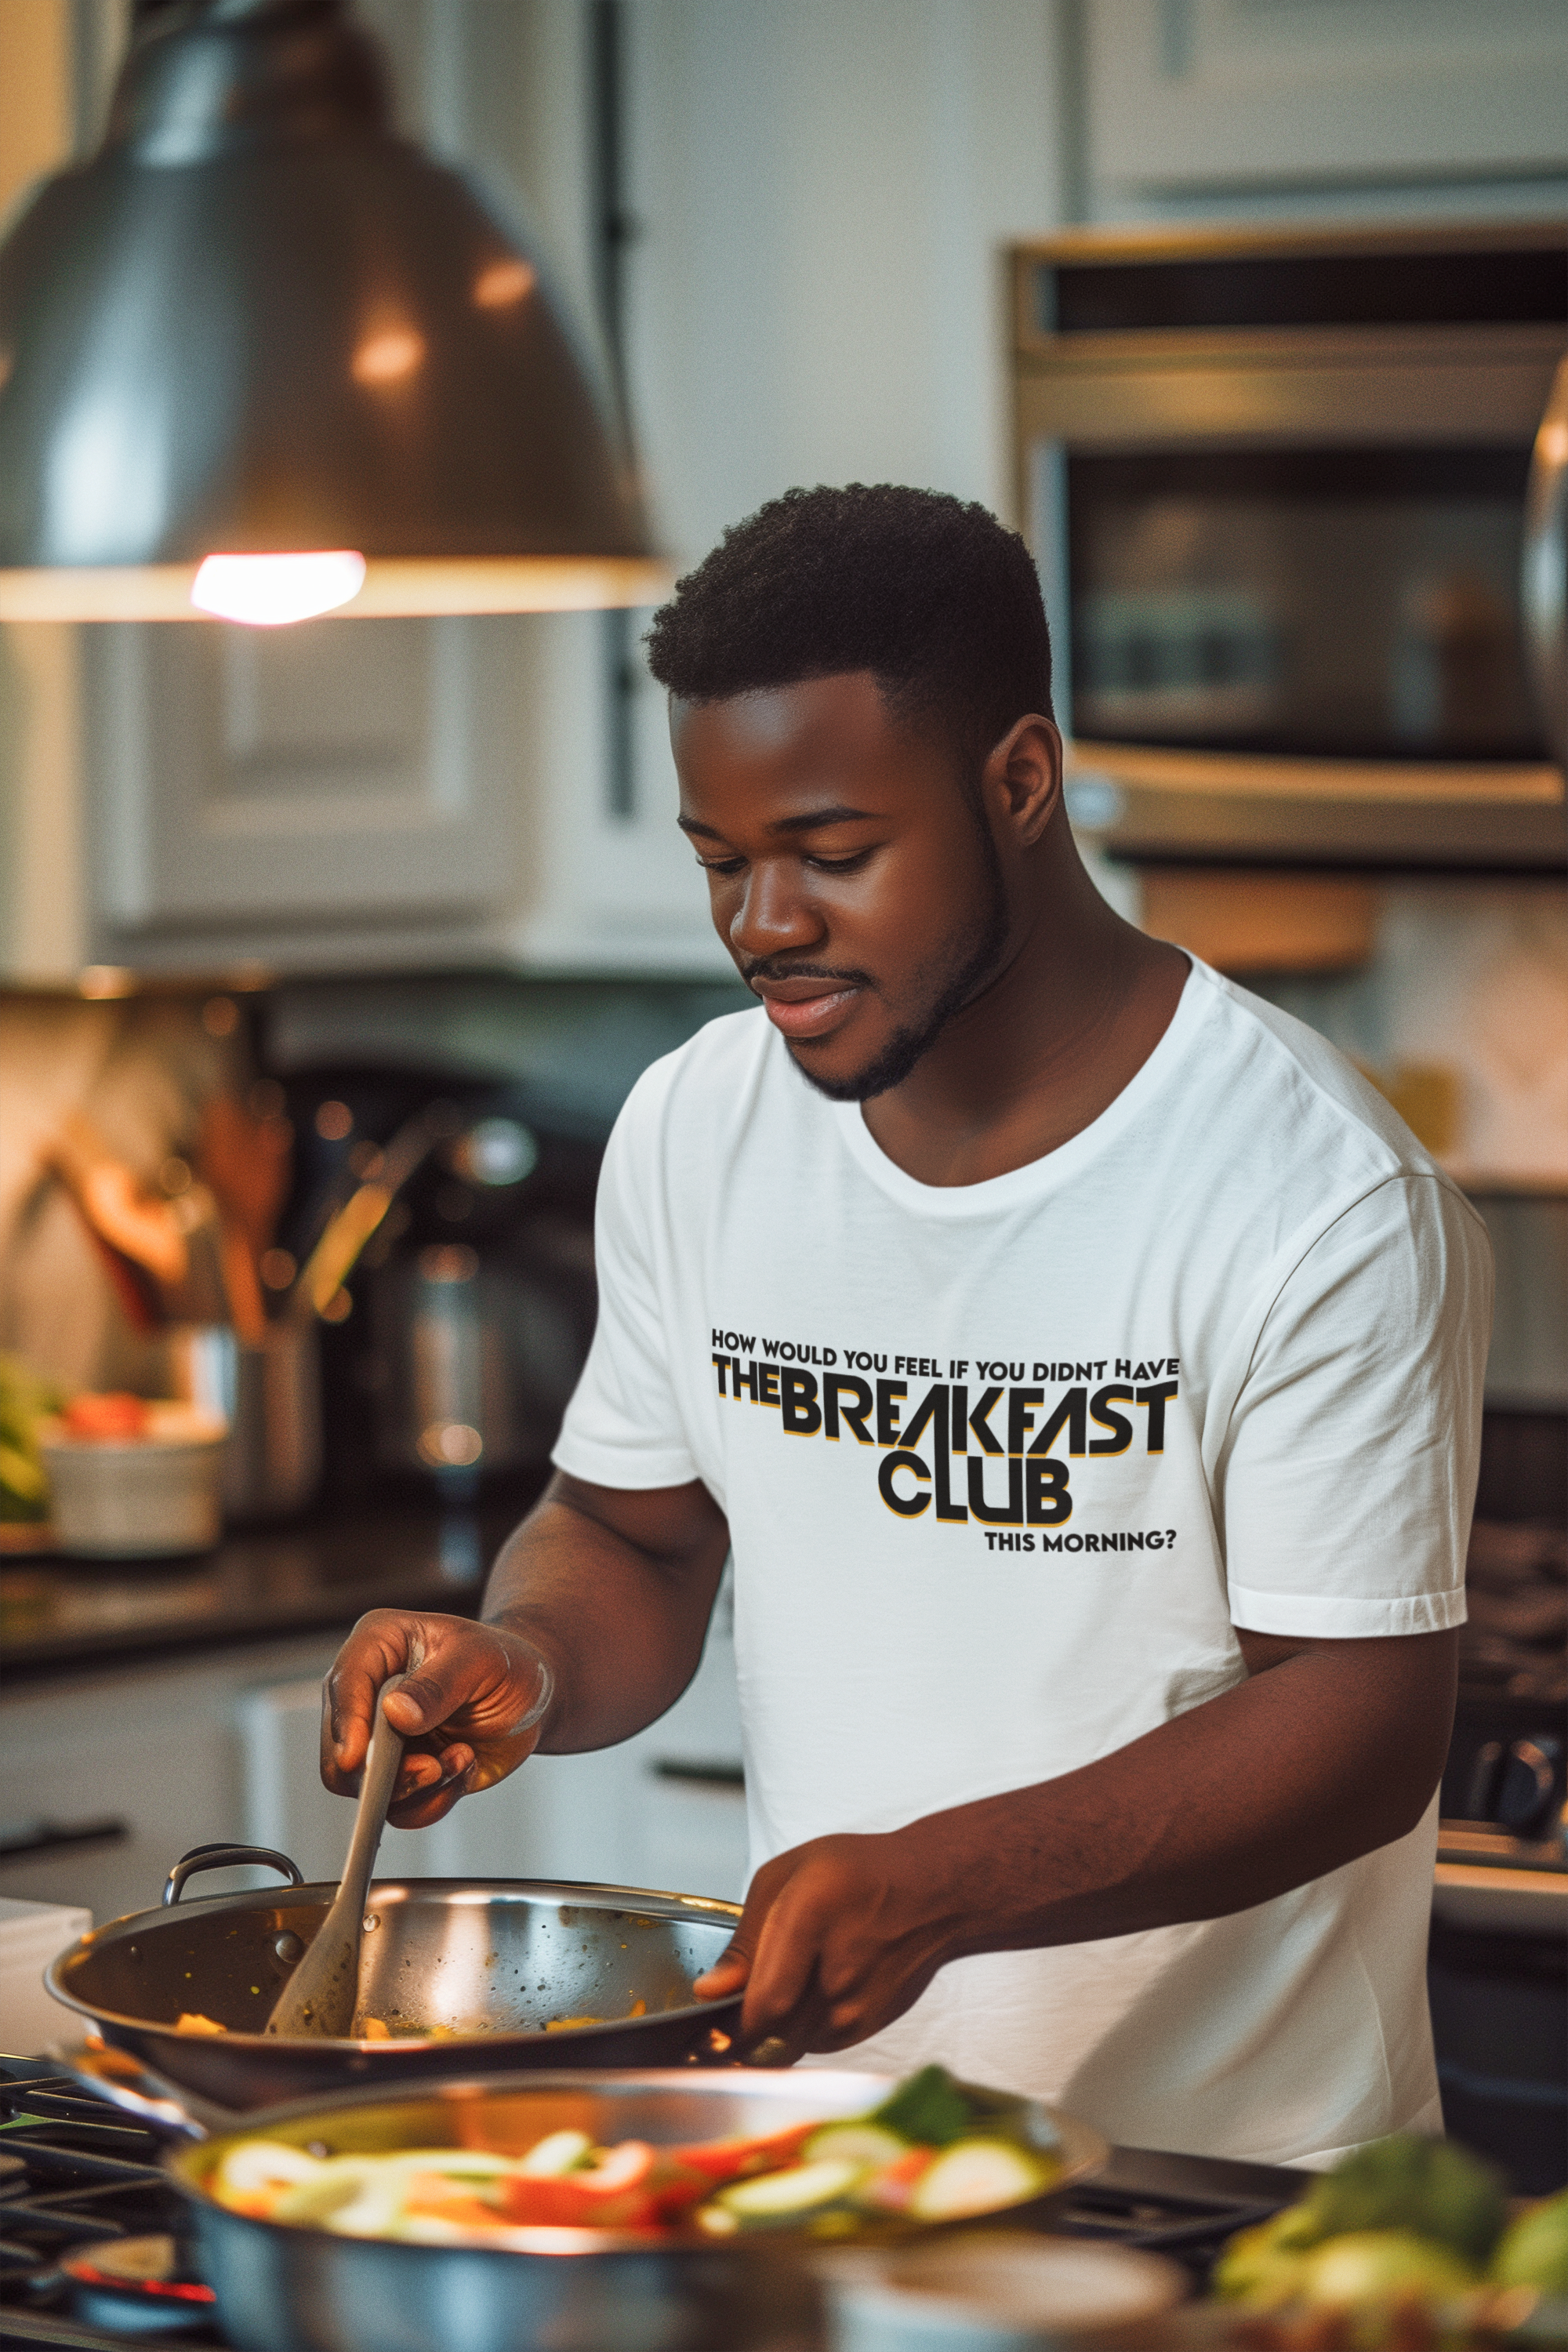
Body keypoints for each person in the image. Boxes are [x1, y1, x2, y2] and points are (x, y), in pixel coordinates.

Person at [321, 485, 1490, 2165]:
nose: (762, 927)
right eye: (722, 862)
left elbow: (1361, 1728)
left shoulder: (1313, 1192)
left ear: (1019, 783)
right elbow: (631, 1540)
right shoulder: (696, 1127)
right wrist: (532, 1659)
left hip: (1226, 2196)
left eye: (832, 854)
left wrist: (945, 1885)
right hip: (834, 2167)